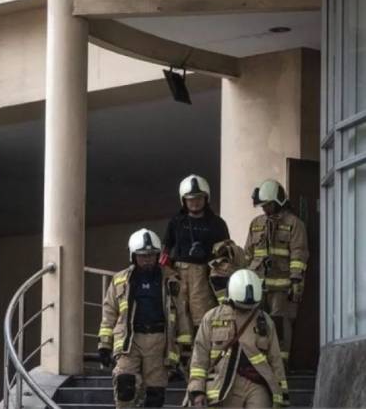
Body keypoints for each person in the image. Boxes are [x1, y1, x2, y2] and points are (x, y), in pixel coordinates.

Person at [97, 228, 190, 408]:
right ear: (133, 256)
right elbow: (109, 313)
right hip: (129, 340)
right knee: (125, 385)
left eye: (151, 255)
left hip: (159, 341)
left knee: (155, 395)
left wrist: (185, 347)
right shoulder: (119, 280)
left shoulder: (172, 280)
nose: (147, 259)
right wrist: (104, 344)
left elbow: (181, 314)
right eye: (142, 255)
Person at [188, 269, 289, 408]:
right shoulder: (211, 318)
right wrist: (197, 391)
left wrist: (282, 394)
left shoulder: (265, 321)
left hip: (258, 384)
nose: (247, 310)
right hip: (224, 383)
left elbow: (275, 359)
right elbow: (199, 358)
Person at [162, 175, 230, 355]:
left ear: (206, 198)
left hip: (204, 276)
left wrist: (209, 257)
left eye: (199, 198)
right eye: (190, 199)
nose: (195, 202)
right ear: (183, 200)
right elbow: (165, 251)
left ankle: (203, 359)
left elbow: (227, 252)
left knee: (203, 318)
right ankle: (178, 361)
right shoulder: (176, 222)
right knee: (178, 318)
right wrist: (168, 272)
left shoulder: (216, 223)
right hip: (179, 275)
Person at [244, 179, 309, 366]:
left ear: (279, 201)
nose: (265, 209)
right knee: (257, 324)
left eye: (268, 204)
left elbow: (299, 253)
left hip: (282, 286)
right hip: (258, 285)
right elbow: (248, 253)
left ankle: (280, 364)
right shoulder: (256, 223)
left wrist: (296, 281)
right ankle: (259, 363)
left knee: (280, 325)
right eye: (263, 205)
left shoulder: (294, 224)